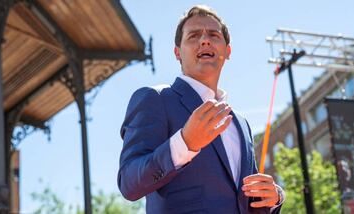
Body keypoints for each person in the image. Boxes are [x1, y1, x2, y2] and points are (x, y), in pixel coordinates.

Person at [117, 5, 284, 213]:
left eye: (213, 35)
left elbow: (245, 202)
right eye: (194, 36)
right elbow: (129, 184)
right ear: (177, 52)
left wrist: (273, 197)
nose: (205, 40)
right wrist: (185, 143)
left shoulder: (240, 123)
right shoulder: (155, 99)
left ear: (227, 51)